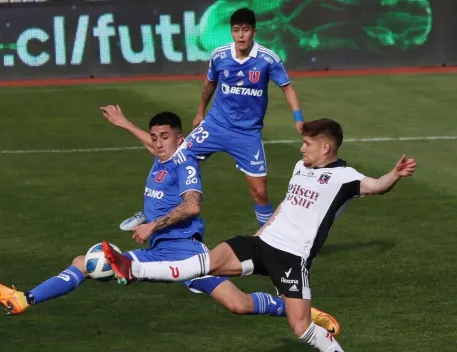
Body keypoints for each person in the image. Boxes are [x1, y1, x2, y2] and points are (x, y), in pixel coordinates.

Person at [0, 108, 339, 337]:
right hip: (158, 251)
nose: (157, 142)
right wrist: (124, 124)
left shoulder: (185, 164)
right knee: (84, 262)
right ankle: (25, 298)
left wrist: (153, 225)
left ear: (180, 139)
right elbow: (153, 146)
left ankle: (305, 312)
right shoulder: (164, 155)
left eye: (164, 136)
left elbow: (192, 206)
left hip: (186, 255)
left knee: (241, 304)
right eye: (154, 136)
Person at [103, 118, 417, 351]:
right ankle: (133, 268)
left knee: (301, 327)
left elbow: (377, 186)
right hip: (262, 242)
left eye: (307, 143)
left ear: (325, 147)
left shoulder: (345, 178)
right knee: (203, 263)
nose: (301, 147)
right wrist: (262, 231)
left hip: (292, 258)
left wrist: (395, 174)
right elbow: (286, 204)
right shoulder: (300, 167)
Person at [120, 7, 304, 232]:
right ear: (231, 32)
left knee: (260, 192)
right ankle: (149, 212)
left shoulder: (267, 59)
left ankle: (270, 240)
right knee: (174, 156)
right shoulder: (220, 56)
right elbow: (209, 85)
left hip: (247, 134)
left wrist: (298, 118)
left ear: (254, 31)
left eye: (245, 30)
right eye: (236, 30)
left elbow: (287, 87)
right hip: (215, 126)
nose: (241, 35)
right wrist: (200, 113)